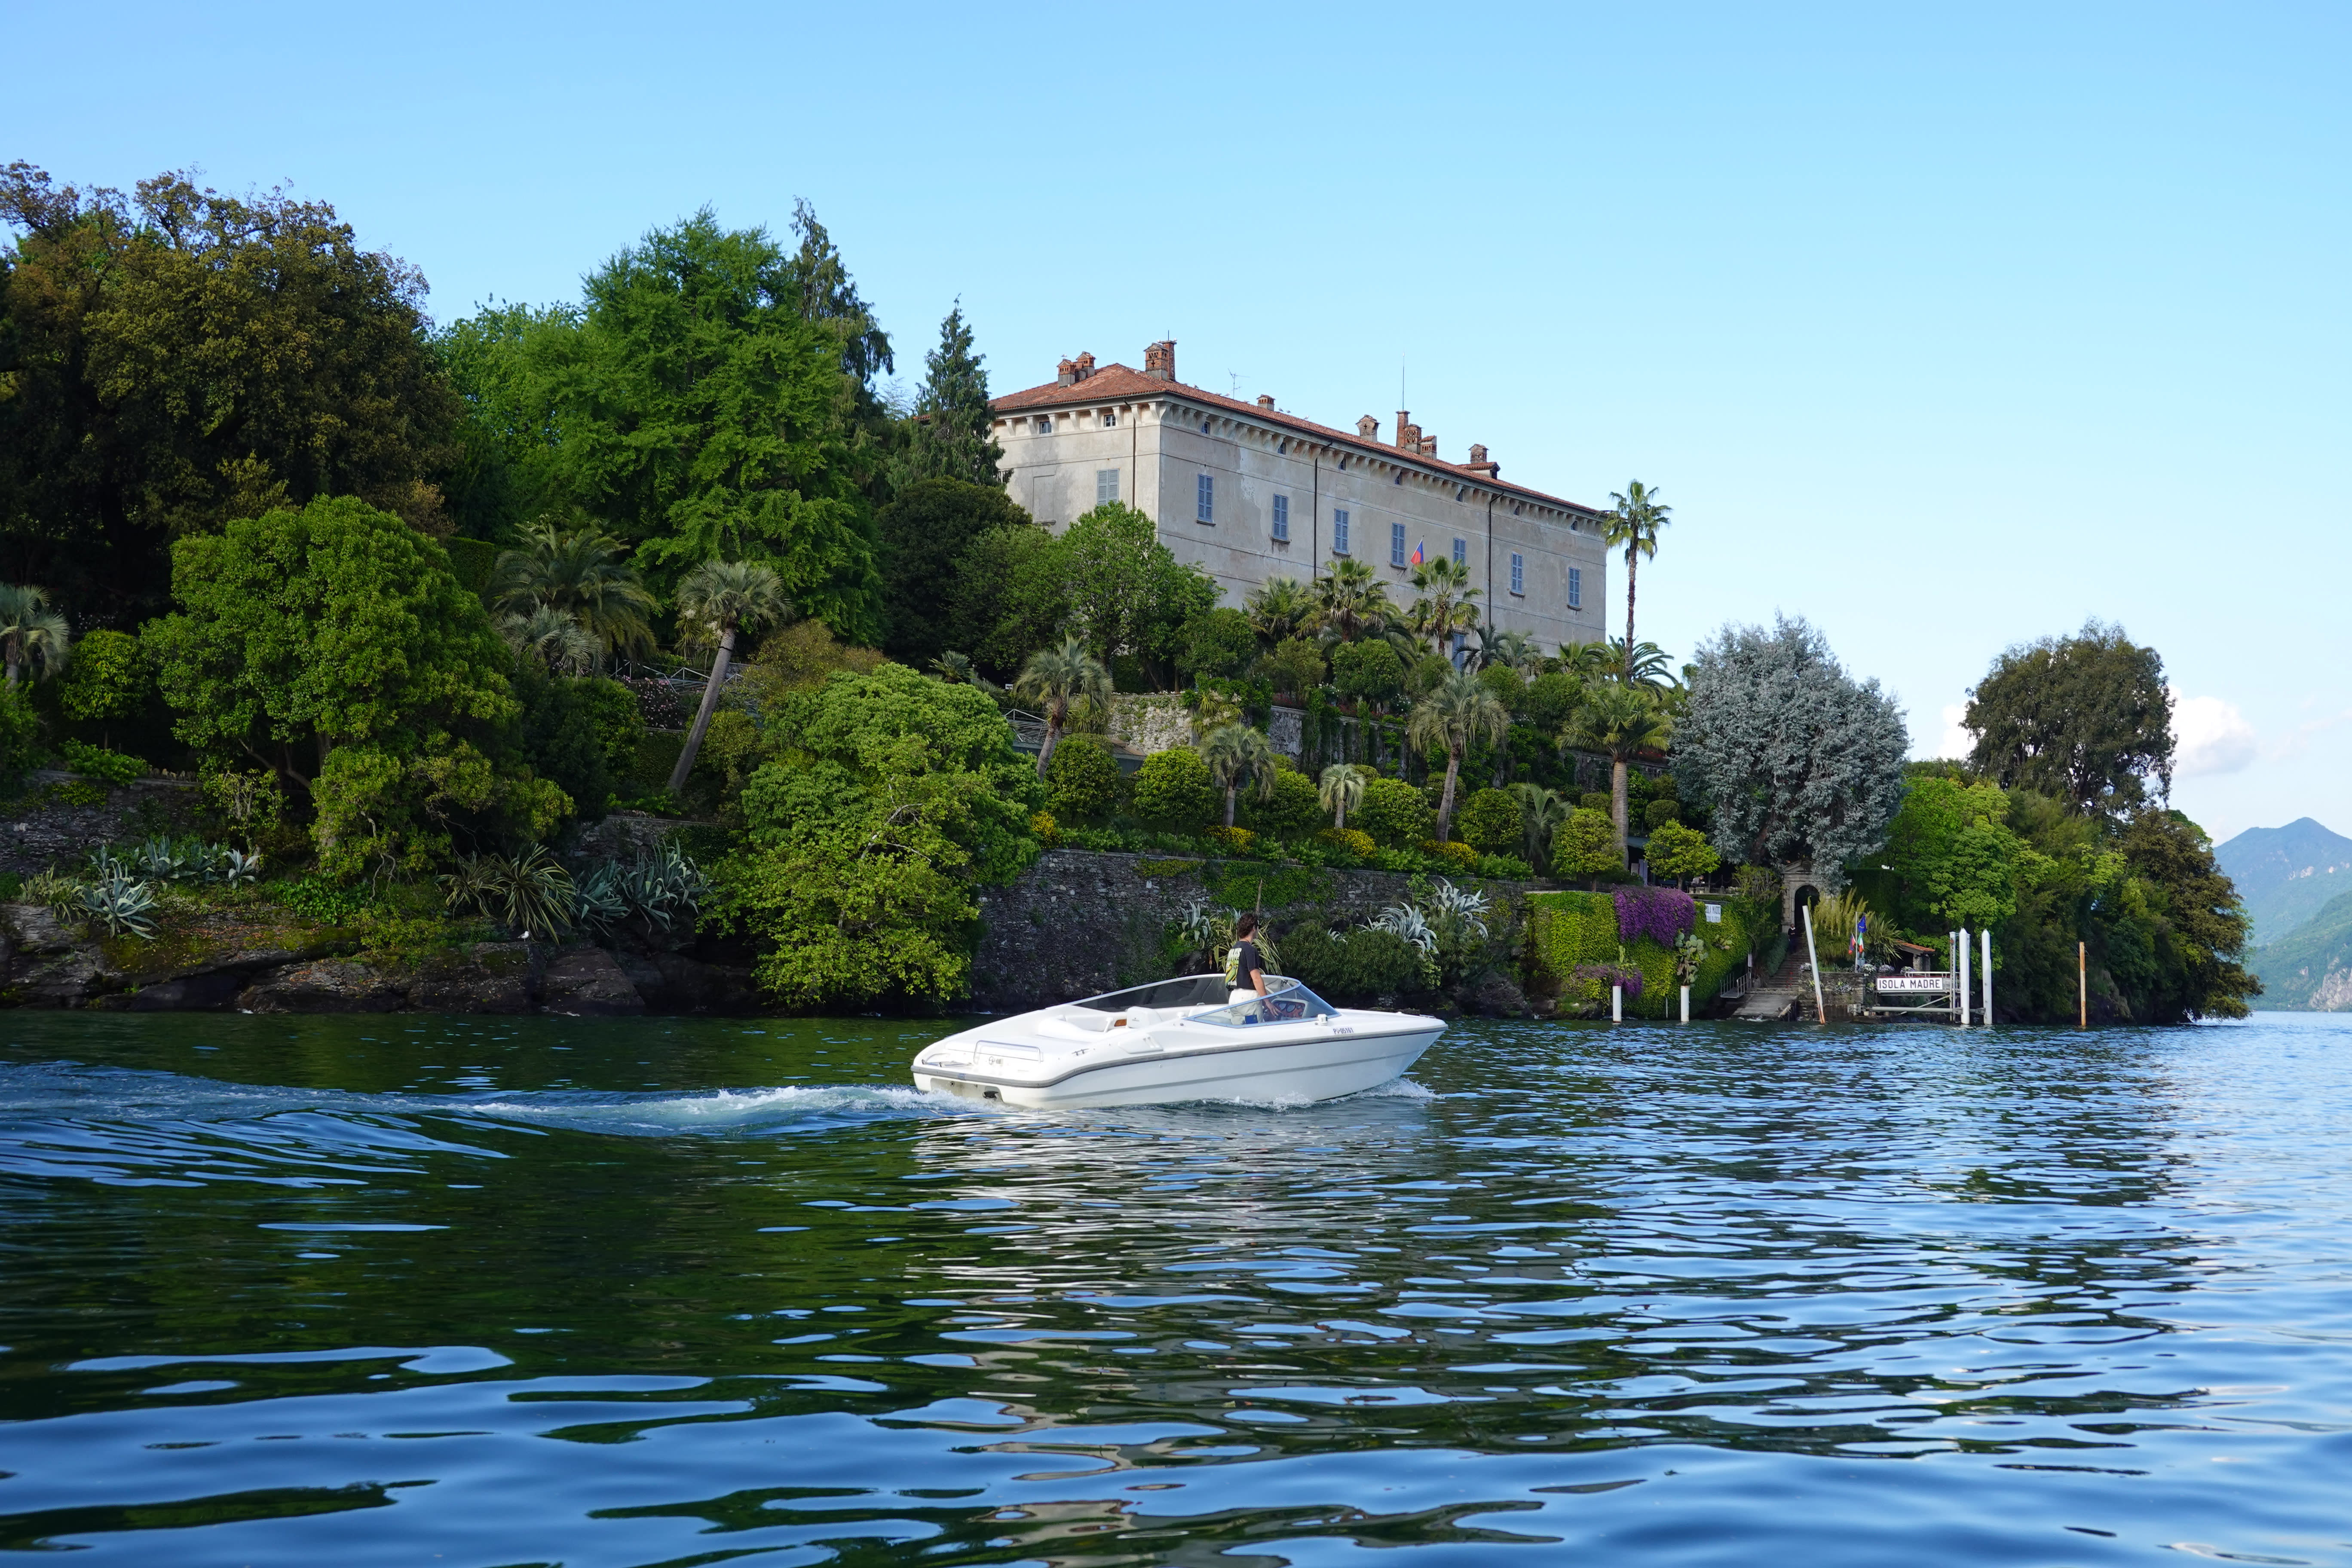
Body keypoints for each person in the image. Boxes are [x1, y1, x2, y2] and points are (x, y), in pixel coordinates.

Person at [1227, 913, 1268, 1006]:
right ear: (1254, 928)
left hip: (1234, 998)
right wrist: (1267, 1002)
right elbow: (1256, 978)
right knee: (1254, 1021)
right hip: (1249, 998)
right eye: (1258, 927)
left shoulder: (1233, 949)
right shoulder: (1250, 950)